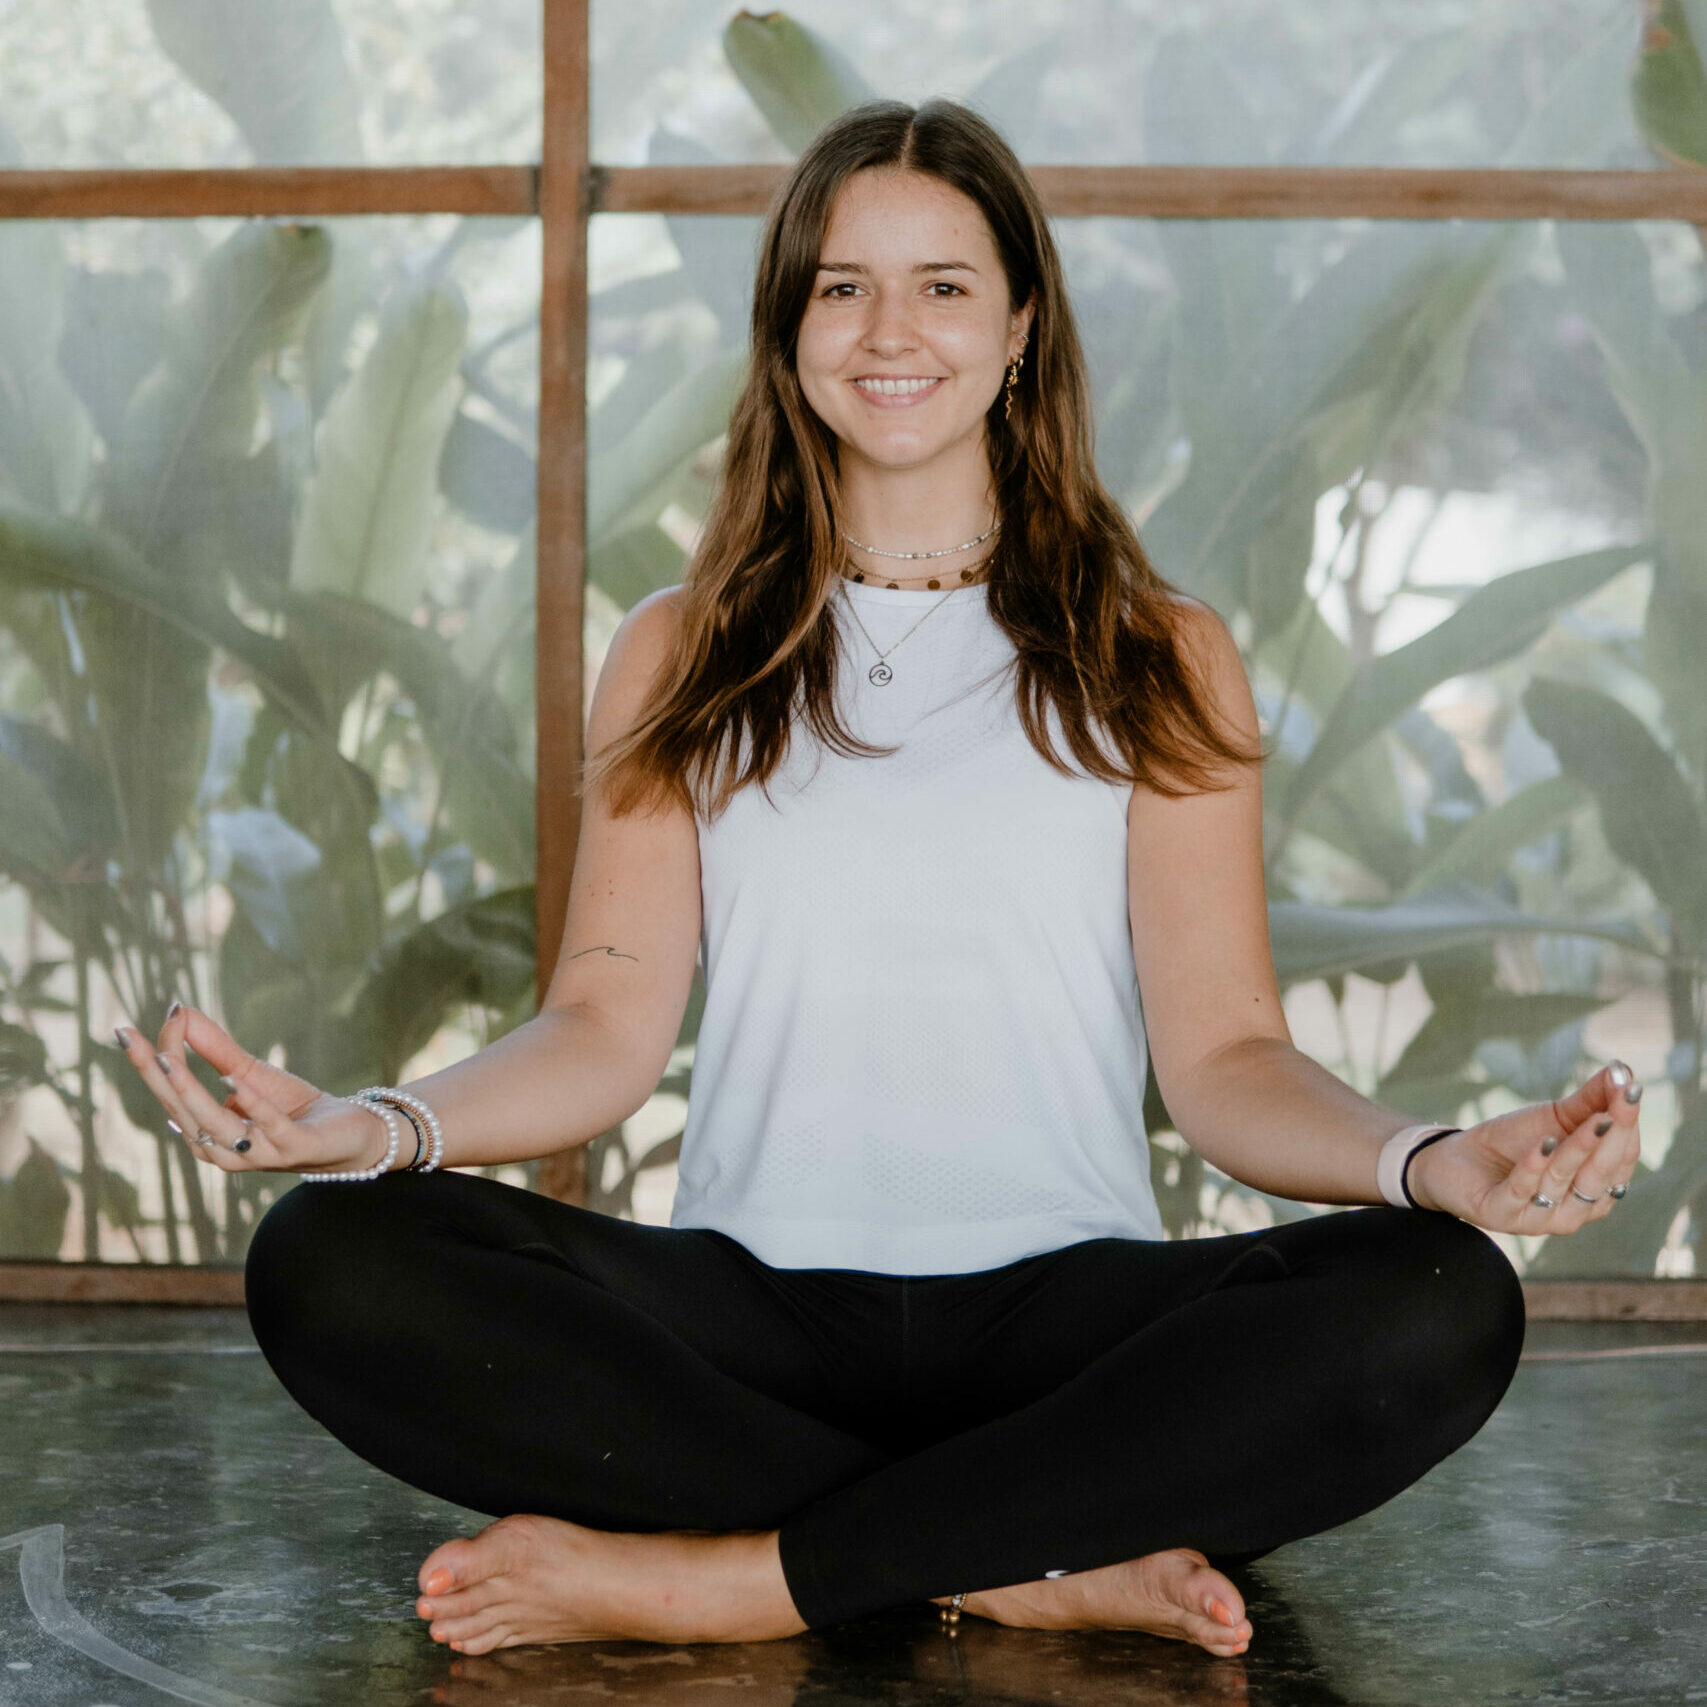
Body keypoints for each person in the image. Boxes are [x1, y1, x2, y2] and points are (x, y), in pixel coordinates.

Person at [116, 98, 1642, 1663]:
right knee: (331, 1258)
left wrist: (1429, 1160)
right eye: (841, 286)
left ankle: (731, 1580)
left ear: (1022, 326)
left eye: (944, 285)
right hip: (748, 1331)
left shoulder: (1156, 652)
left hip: (1067, 1335)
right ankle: (1016, 1555)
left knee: (1443, 1299)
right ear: (789, 330)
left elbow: (1230, 1060)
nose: (889, 331)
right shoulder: (682, 646)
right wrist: (374, 1128)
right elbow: (602, 1025)